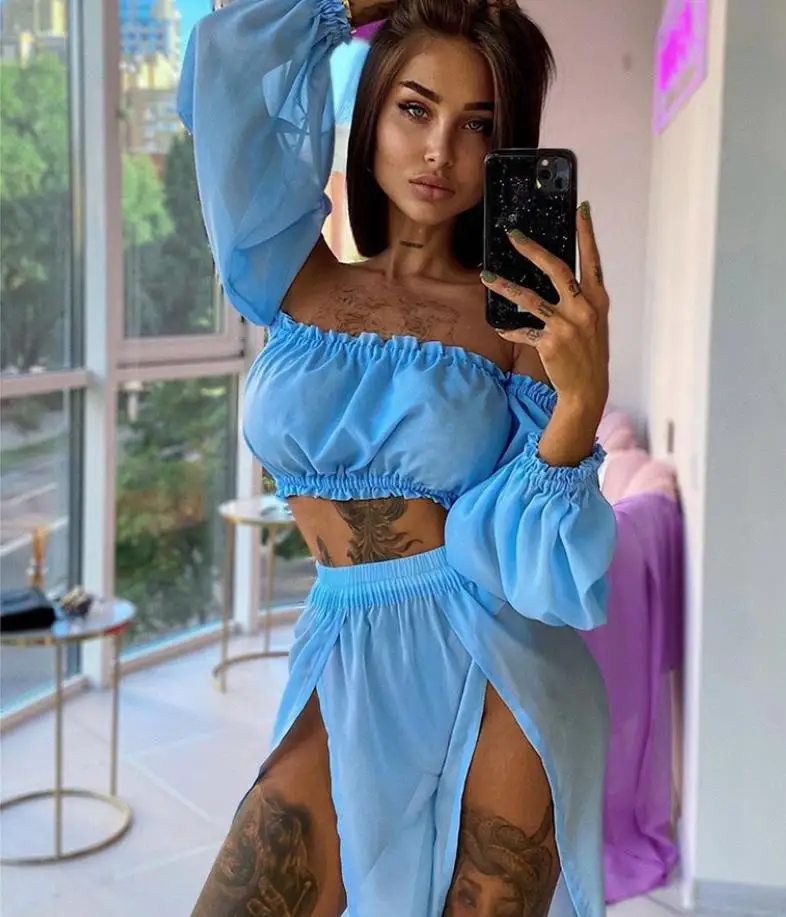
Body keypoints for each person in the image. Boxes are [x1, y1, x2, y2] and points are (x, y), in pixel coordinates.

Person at [178, 0, 615, 914]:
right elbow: (223, 64)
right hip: (343, 638)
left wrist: (579, 405)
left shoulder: (516, 326)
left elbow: (539, 567)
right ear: (370, 109)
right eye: (415, 108)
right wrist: (353, 9)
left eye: (477, 125)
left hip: (494, 663)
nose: (439, 151)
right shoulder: (293, 271)